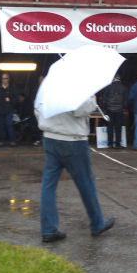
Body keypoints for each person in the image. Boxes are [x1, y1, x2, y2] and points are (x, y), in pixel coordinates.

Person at [35, 96, 115, 243]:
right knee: (85, 183)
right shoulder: (75, 85)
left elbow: (37, 110)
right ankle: (97, 222)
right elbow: (80, 110)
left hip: (50, 137)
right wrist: (92, 99)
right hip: (73, 139)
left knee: (48, 185)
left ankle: (48, 229)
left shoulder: (47, 87)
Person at [100, 74, 128, 149]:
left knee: (110, 127)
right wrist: (123, 107)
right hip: (119, 110)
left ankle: (110, 144)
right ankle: (118, 144)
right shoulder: (124, 88)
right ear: (119, 79)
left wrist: (105, 108)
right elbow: (125, 101)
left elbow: (104, 100)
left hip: (109, 110)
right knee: (118, 127)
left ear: (113, 79)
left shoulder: (108, 87)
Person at [0, 73, 18, 146]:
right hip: (0, 110)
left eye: (6, 78)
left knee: (9, 125)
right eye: (3, 78)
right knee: (1, 126)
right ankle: (2, 141)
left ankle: (13, 141)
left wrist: (10, 100)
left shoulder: (12, 88)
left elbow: (17, 99)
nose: (4, 80)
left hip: (8, 111)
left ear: (9, 79)